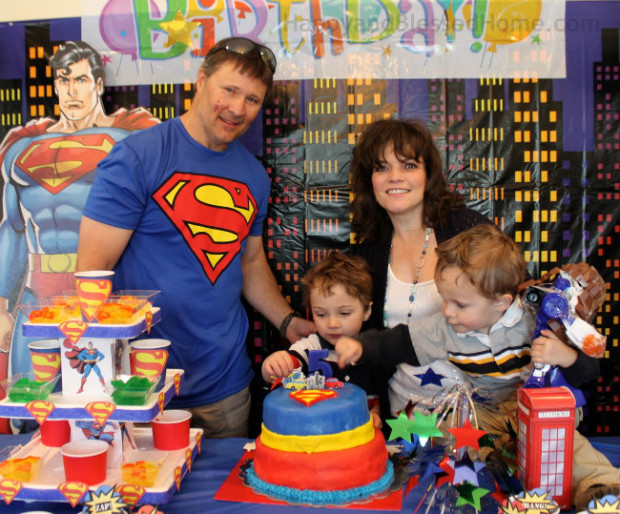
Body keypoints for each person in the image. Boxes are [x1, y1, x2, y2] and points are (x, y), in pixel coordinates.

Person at [76, 37, 315, 438]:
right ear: (200, 81)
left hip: (224, 390)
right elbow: (90, 275)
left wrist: (287, 321)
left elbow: (250, 262)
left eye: (253, 100)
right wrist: (100, 377)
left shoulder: (253, 176)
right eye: (230, 90)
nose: (238, 109)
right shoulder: (137, 158)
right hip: (140, 392)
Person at [336, 224, 620, 510]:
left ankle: (601, 490)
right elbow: (401, 342)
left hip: (542, 410)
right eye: (445, 300)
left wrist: (565, 356)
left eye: (459, 304)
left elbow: (589, 372)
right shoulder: (446, 328)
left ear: (501, 303)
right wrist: (363, 346)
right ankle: (481, 486)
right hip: (485, 410)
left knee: (569, 447)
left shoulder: (539, 319)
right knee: (451, 434)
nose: (448, 311)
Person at [0, 40, 159, 433]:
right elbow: (14, 231)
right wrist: (2, 302)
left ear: (99, 84)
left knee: (107, 411)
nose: (72, 91)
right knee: (31, 408)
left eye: (82, 79)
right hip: (39, 294)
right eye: (63, 80)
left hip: (103, 296)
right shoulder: (20, 150)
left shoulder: (130, 143)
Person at [348, 117, 492, 424]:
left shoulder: (470, 230)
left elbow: (513, 315)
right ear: (369, 180)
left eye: (409, 165)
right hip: (406, 424)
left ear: (429, 175)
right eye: (381, 167)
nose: (394, 177)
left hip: (479, 421)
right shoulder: (367, 253)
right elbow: (365, 344)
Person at [261, 252, 380, 426]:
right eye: (321, 314)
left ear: (367, 311)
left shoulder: (374, 348)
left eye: (344, 313)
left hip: (356, 438)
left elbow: (377, 398)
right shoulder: (311, 346)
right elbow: (274, 372)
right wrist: (273, 364)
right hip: (315, 437)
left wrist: (376, 413)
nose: (332, 323)